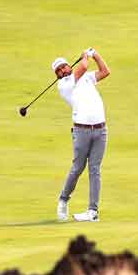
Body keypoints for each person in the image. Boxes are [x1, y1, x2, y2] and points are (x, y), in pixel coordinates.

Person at [54, 47, 110, 223]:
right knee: (78, 168)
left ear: (69, 66)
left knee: (95, 170)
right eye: (59, 70)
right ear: (57, 75)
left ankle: (92, 211)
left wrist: (95, 54)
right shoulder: (64, 85)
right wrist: (85, 57)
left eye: (63, 66)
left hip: (101, 130)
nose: (63, 70)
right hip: (81, 131)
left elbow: (105, 71)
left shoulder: (86, 78)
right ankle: (63, 199)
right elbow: (83, 67)